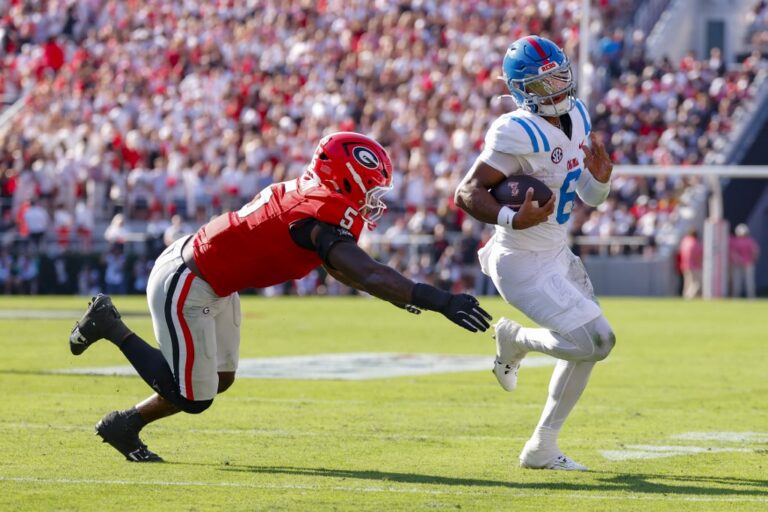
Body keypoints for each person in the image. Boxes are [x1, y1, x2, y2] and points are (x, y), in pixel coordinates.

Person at [68, 132, 492, 462]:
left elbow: (346, 271)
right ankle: (110, 326)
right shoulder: (316, 213)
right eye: (369, 188)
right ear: (345, 178)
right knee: (194, 397)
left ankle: (125, 425)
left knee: (220, 378)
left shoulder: (316, 199)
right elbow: (366, 271)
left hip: (215, 279)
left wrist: (402, 297)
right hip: (189, 279)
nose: (372, 199)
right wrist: (440, 300)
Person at [455, 36, 616, 471]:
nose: (556, 89)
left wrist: (600, 180)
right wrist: (510, 217)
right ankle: (515, 339)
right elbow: (467, 192)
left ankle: (542, 446)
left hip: (557, 252)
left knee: (586, 346)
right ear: (521, 90)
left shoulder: (578, 115)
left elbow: (590, 196)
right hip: (521, 260)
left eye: (560, 78)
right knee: (597, 340)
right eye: (543, 85)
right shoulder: (516, 130)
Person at [729, 223, 760, 298]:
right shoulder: (749, 241)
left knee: (742, 281)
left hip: (742, 264)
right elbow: (755, 252)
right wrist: (753, 260)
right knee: (743, 281)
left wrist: (739, 260)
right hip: (743, 264)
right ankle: (748, 297)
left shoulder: (737, 241)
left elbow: (755, 251)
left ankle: (743, 297)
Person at [679, 229, 703, 299]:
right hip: (694, 266)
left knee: (687, 282)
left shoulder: (685, 241)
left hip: (684, 265)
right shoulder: (694, 243)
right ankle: (689, 296)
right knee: (696, 283)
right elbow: (698, 255)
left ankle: (686, 295)